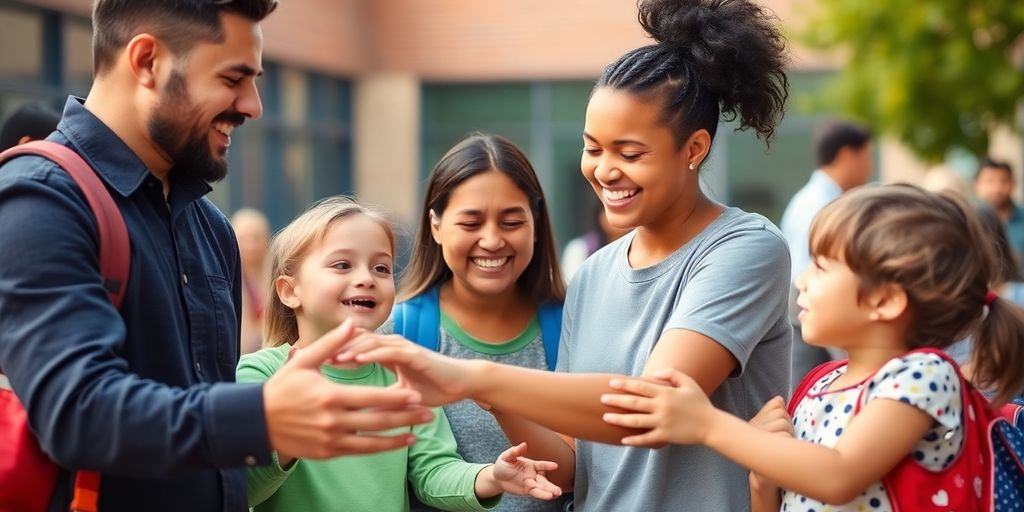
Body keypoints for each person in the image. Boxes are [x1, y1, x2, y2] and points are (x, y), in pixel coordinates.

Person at [336, 0, 793, 509]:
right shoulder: (594, 274)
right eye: (593, 147)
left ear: (694, 148)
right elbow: (576, 466)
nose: (604, 170)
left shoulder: (745, 249)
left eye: (631, 153)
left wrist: (475, 375)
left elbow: (651, 408)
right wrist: (495, 397)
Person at [0, 2, 433, 510]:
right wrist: (262, 414)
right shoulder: (41, 199)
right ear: (146, 61)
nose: (253, 106)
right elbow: (77, 413)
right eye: (233, 78)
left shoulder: (211, 229)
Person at [600, 184, 1024, 511]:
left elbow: (838, 476)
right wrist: (762, 479)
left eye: (821, 266)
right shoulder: (821, 383)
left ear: (885, 300)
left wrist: (708, 424)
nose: (801, 280)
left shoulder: (923, 376)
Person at [238, 196, 561, 511]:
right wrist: (288, 442)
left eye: (381, 268)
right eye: (342, 265)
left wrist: (491, 476)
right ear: (290, 291)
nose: (366, 279)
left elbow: (433, 470)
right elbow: (243, 489)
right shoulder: (259, 375)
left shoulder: (406, 374)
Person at [394, 133, 569, 512]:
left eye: (511, 222)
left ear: (535, 224)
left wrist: (494, 395)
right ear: (436, 226)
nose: (491, 241)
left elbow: (569, 472)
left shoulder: (571, 325)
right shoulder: (398, 333)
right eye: (471, 223)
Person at [779, 120, 872, 388]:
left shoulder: (815, 199)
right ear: (846, 155)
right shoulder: (821, 204)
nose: (870, 165)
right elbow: (803, 273)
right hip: (811, 311)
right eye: (866, 155)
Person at [232, 207, 272, 353]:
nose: (251, 246)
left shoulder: (277, 273)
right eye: (244, 239)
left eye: (256, 238)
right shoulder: (227, 279)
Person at [560, 200, 629, 282]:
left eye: (624, 211)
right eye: (612, 210)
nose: (618, 217)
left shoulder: (637, 250)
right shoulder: (580, 248)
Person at [974, 158, 1024, 268]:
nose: (997, 188)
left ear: (1013, 183)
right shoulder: (967, 221)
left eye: (1003, 181)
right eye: (990, 181)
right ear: (977, 185)